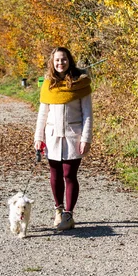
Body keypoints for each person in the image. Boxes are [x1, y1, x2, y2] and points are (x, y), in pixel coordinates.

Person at [34, 47, 93, 231]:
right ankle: (58, 209)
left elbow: (88, 114)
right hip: (52, 137)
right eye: (57, 60)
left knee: (69, 175)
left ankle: (69, 214)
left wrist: (86, 138)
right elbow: (42, 114)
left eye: (64, 59)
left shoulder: (80, 83)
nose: (61, 63)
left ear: (70, 60)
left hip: (73, 136)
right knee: (55, 175)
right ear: (52, 62)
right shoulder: (48, 84)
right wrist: (39, 137)